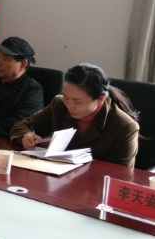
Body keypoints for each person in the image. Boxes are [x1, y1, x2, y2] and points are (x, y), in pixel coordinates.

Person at [10, 63, 140, 167]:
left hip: (93, 185)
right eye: (66, 97)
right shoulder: (59, 104)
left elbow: (121, 174)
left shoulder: (124, 127)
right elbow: (21, 126)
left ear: (100, 99)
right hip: (55, 176)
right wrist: (25, 137)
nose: (69, 105)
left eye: (77, 101)